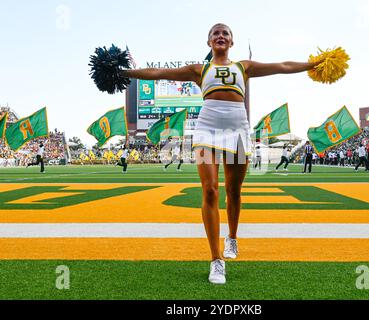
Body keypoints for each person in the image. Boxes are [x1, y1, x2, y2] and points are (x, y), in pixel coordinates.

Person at [120, 23, 323, 284]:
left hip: (238, 128)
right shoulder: (200, 70)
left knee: (234, 191)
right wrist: (124, 72)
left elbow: (281, 66)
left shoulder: (244, 67)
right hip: (207, 128)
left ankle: (232, 238)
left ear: (231, 41)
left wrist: (312, 64)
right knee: (210, 190)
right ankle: (216, 260)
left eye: (225, 33)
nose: (220, 36)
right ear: (209, 43)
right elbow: (159, 72)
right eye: (215, 33)